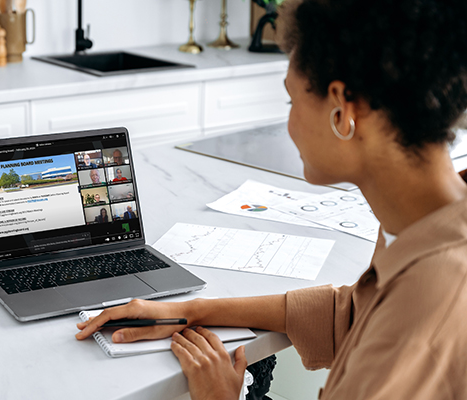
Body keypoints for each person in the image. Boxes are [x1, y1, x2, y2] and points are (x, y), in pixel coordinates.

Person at [76, 1, 467, 399]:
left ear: (342, 110)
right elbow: (351, 314)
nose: (290, 123)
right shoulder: (419, 225)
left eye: (291, 101)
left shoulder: (430, 307)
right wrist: (192, 311)